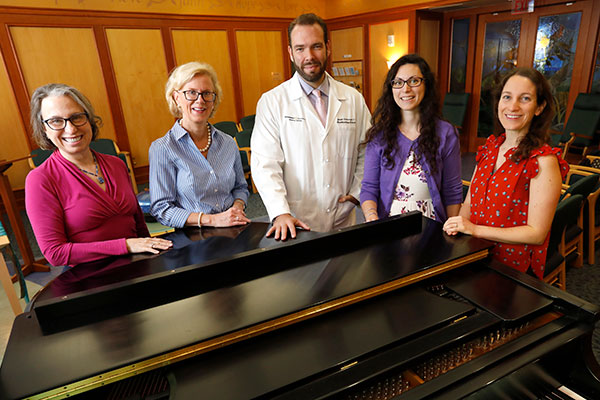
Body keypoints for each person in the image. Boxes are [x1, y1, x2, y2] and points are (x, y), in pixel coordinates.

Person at [251, 13, 371, 240]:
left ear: (328, 47)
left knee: (346, 273)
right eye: (300, 48)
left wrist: (357, 192)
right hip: (294, 222)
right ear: (290, 52)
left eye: (316, 46)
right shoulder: (273, 101)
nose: (309, 56)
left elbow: (367, 151)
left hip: (343, 218)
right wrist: (280, 212)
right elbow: (265, 165)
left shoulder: (353, 99)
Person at [25, 83, 172, 267]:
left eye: (76, 117)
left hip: (138, 265)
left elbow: (139, 226)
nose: (70, 129)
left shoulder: (116, 164)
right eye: (56, 121)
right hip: (91, 278)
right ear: (44, 129)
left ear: (89, 120)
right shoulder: (40, 179)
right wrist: (125, 245)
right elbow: (55, 254)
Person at [443, 68, 569, 279]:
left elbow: (536, 234)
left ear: (539, 107)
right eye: (507, 97)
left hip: (512, 270)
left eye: (525, 98)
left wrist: (474, 230)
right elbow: (469, 204)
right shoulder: (490, 148)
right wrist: (457, 230)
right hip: (474, 255)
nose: (513, 106)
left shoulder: (543, 161)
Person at [360, 54, 462, 223]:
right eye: (398, 82)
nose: (405, 89)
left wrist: (452, 230)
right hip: (389, 225)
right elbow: (369, 188)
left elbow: (452, 190)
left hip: (432, 226)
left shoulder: (445, 133)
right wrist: (372, 219)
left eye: (414, 81)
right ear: (391, 88)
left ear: (426, 85)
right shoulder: (379, 136)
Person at [149, 62, 250, 228]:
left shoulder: (228, 142)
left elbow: (240, 187)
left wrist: (237, 207)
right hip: (195, 237)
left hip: (235, 227)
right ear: (176, 98)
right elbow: (162, 209)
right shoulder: (163, 149)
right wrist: (212, 220)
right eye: (191, 93)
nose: (200, 100)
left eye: (206, 93)